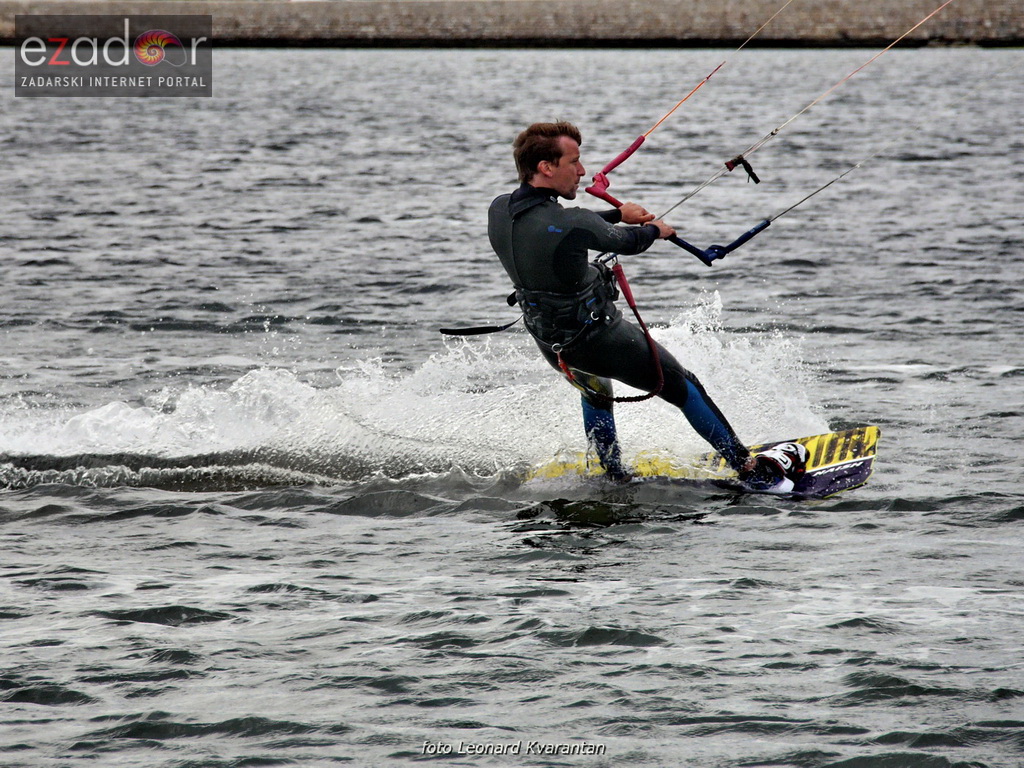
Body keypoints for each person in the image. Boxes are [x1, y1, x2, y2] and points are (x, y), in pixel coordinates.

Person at [488, 121, 805, 486]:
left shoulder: (500, 209)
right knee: (684, 386)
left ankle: (612, 474)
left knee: (596, 394)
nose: (582, 171)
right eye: (573, 161)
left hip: (552, 343)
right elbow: (626, 242)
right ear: (546, 167)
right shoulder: (571, 221)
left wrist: (616, 214)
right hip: (596, 339)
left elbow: (557, 227)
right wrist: (656, 230)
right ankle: (751, 471)